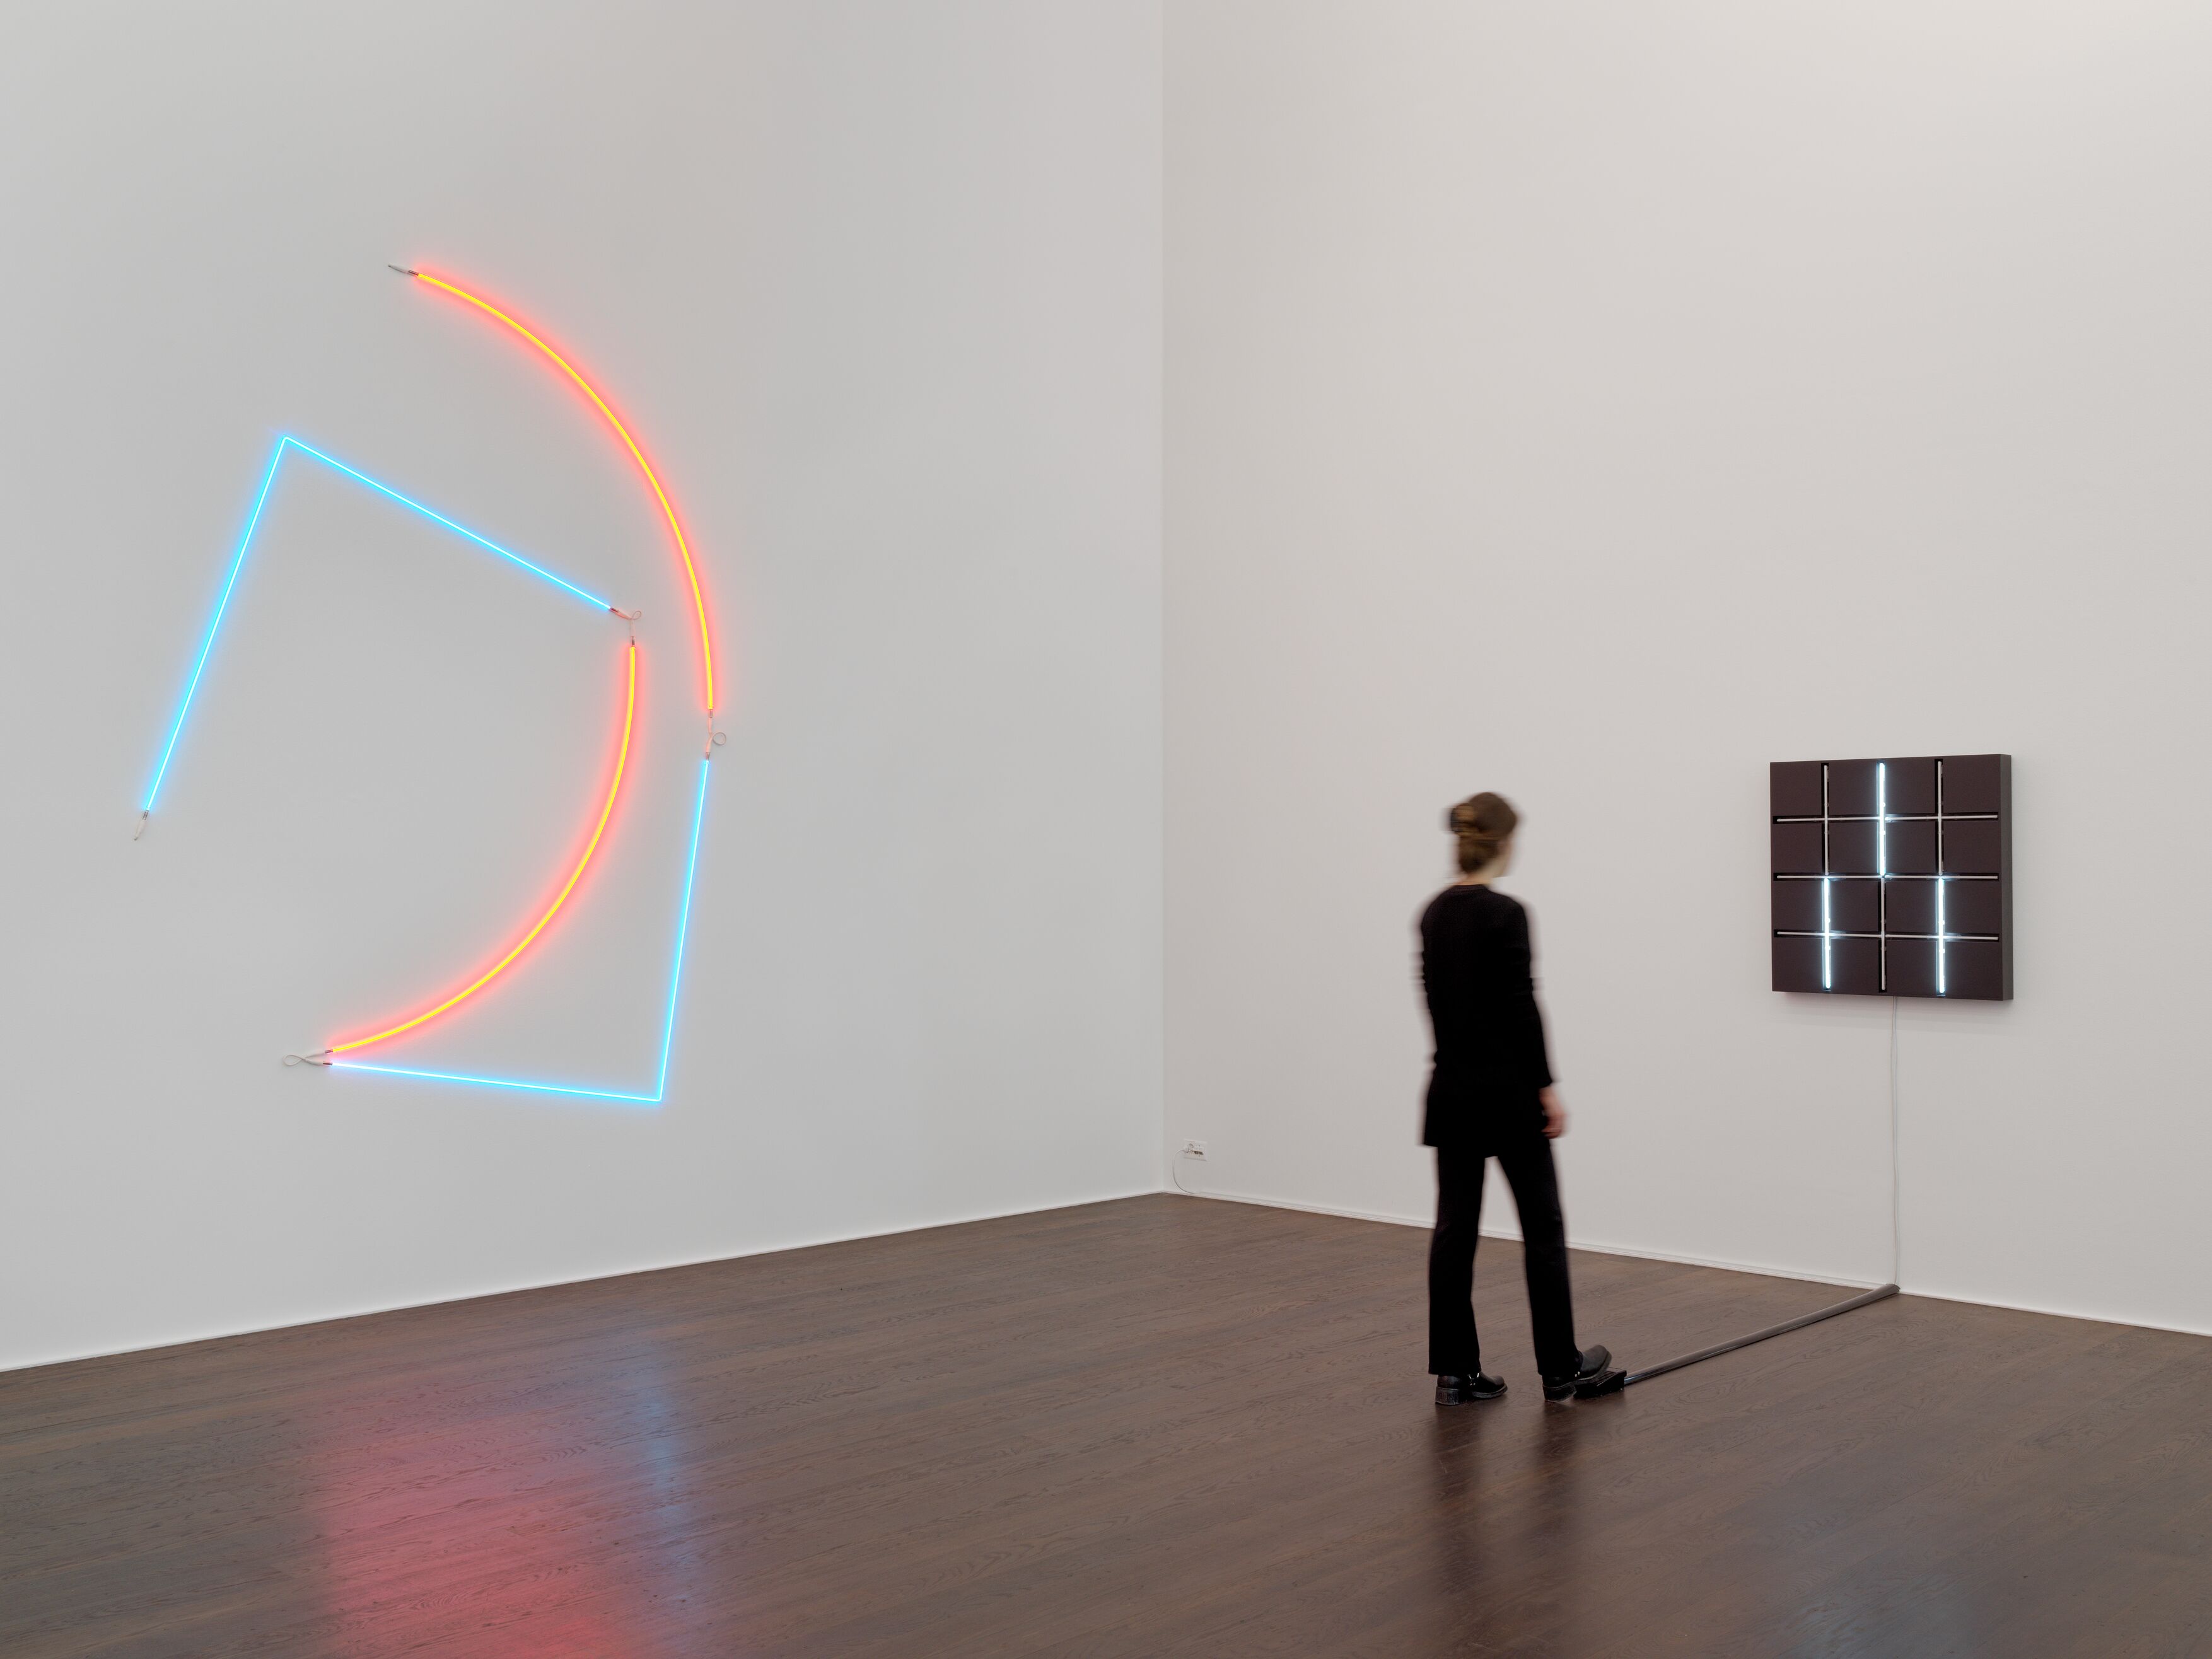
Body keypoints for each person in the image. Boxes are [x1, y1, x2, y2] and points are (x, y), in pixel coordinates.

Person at [1421, 792, 1623, 1404]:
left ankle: (1455, 1373)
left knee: (1455, 1230)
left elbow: (1438, 1007)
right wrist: (1545, 1087)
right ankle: (1560, 1368)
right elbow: (1520, 1007)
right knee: (1542, 1227)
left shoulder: (1433, 914)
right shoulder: (1506, 913)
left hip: (1451, 1092)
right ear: (1504, 844)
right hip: (1508, 1096)